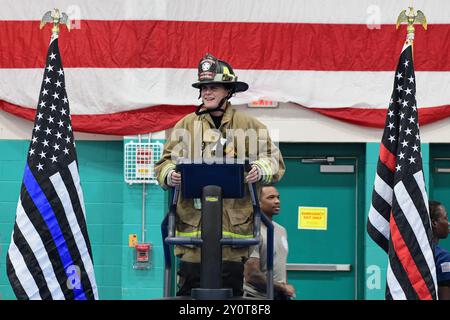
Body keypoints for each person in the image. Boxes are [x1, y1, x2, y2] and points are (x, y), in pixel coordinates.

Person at [155, 53, 285, 296]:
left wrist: (259, 170)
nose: (207, 92)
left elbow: (275, 161)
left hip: (233, 245)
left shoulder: (250, 126)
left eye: (213, 87)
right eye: (204, 87)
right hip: (192, 240)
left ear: (228, 90)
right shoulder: (185, 126)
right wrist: (170, 174)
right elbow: (163, 164)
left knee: (230, 298)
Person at [243, 185, 295, 299]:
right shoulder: (251, 231)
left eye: (278, 197)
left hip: (278, 295)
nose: (277, 201)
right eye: (271, 198)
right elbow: (252, 276)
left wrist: (285, 287)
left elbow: (279, 264)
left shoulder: (281, 230)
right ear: (258, 203)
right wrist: (283, 287)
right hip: (256, 297)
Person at [429, 200, 450, 300]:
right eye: (445, 218)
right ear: (434, 223)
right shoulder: (443, 257)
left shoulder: (411, 253)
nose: (448, 223)